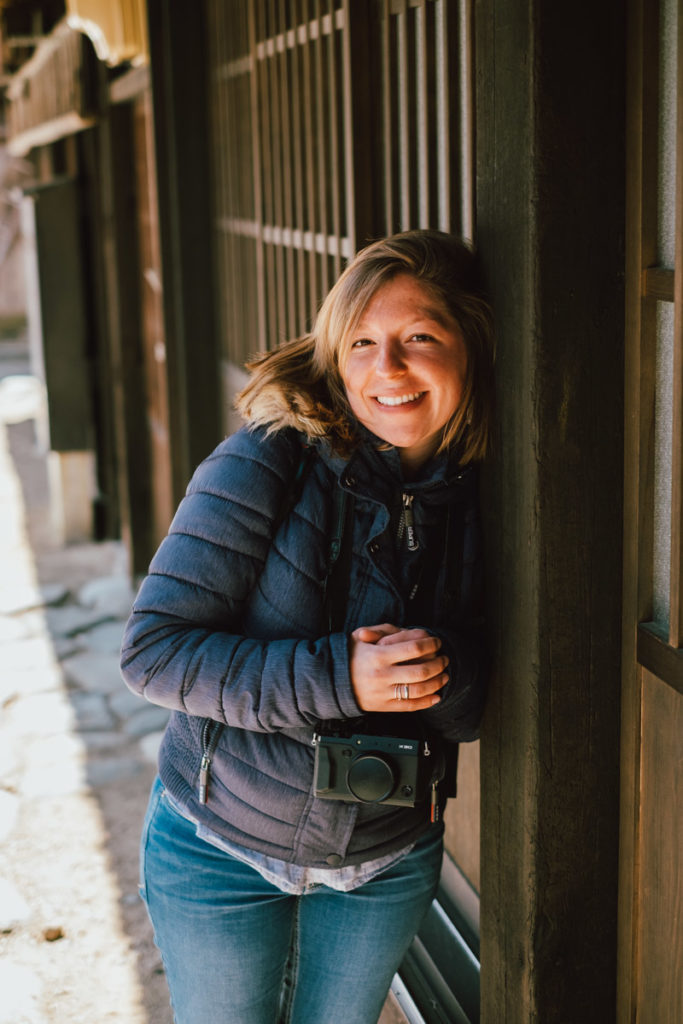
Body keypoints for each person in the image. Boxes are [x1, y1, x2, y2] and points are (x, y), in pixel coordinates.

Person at [120, 229, 494, 1024]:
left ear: (471, 343)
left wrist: (442, 669)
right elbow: (151, 653)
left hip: (383, 861)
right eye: (360, 342)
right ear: (333, 355)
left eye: (418, 337)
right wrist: (338, 676)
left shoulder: (489, 495)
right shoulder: (267, 460)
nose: (386, 369)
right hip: (217, 842)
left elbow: (477, 707)